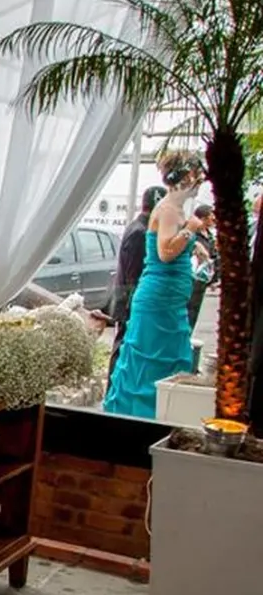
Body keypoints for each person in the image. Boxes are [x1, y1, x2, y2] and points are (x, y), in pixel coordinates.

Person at [104, 151, 209, 418]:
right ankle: (144, 416)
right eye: (196, 176)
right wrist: (191, 229)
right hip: (158, 302)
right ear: (185, 177)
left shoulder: (175, 210)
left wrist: (192, 245)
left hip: (169, 301)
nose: (199, 182)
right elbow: (165, 252)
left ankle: (162, 412)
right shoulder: (169, 210)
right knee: (150, 364)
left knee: (167, 359)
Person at [108, 185, 167, 376]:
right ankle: (114, 387)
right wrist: (134, 304)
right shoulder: (140, 232)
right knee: (123, 347)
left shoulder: (141, 228)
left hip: (130, 299)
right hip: (129, 301)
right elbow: (133, 274)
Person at [186, 202, 216, 328]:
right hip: (191, 277)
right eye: (211, 215)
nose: (214, 218)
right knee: (188, 310)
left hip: (202, 279)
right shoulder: (192, 235)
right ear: (203, 218)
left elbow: (213, 256)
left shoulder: (210, 235)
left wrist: (213, 279)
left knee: (194, 311)